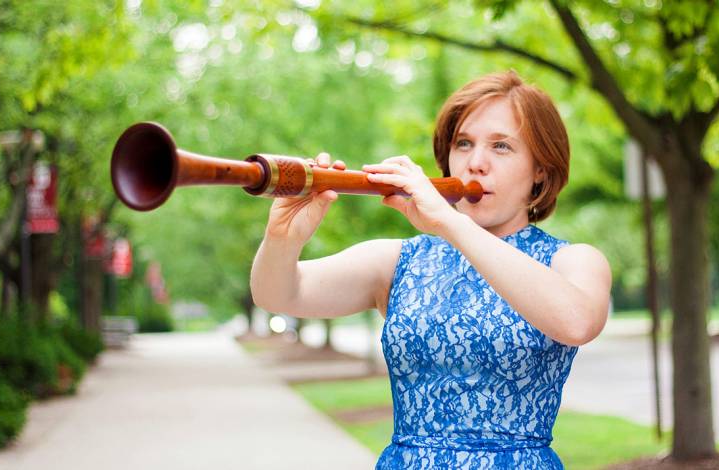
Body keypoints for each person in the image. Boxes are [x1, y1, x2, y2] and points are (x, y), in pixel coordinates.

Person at [250, 70, 612, 469]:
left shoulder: (573, 260)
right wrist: (283, 237)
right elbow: (277, 294)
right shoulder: (398, 261)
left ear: (540, 169)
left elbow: (577, 322)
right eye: (464, 144)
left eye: (502, 147)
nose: (476, 163)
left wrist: (450, 223)